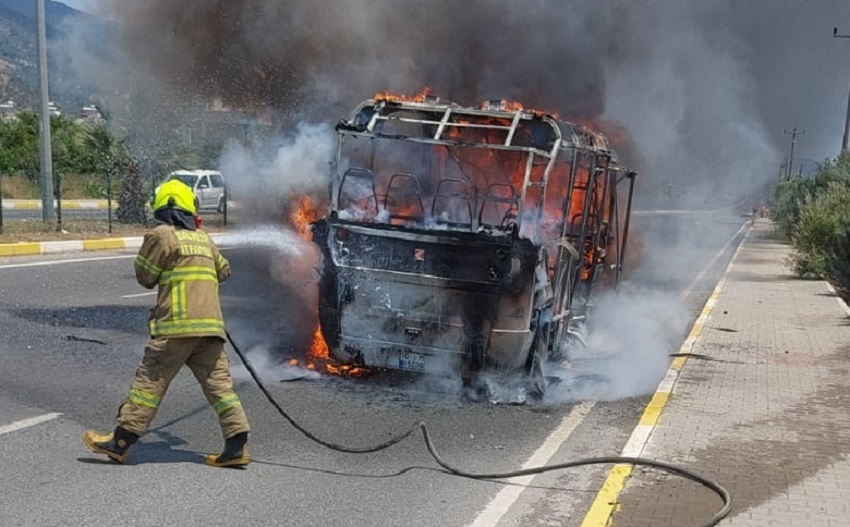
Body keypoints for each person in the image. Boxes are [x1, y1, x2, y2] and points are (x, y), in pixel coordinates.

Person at [83, 179, 251, 467]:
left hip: (176, 328)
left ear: (163, 207)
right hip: (210, 329)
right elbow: (224, 272)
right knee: (220, 388)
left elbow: (145, 277)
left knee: (148, 384)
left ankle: (120, 442)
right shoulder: (204, 238)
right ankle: (236, 446)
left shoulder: (162, 236)